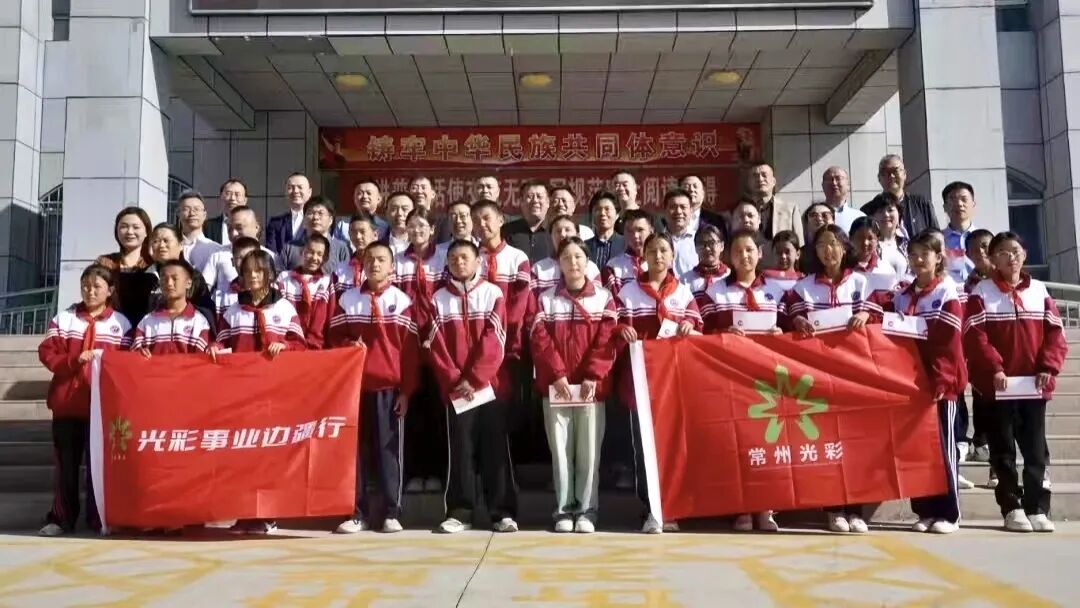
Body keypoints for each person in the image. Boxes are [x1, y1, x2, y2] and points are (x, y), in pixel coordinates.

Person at [963, 231, 1067, 533]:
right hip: (999, 388)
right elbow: (975, 337)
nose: (1011, 257)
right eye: (1003, 252)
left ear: (1025, 255)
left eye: (1016, 251)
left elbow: (1055, 334)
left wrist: (1048, 367)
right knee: (1003, 449)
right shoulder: (982, 292)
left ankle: (1038, 507)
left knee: (1035, 450)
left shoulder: (1039, 290)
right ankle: (1011, 507)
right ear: (993, 259)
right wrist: (994, 369)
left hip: (1033, 386)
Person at [786, 224, 881, 535]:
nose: (828, 250)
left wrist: (866, 315)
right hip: (818, 375)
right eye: (822, 245)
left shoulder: (862, 282)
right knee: (827, 443)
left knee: (855, 443)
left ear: (844, 247)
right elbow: (788, 316)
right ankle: (833, 509)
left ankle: (856, 509)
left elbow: (881, 314)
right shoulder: (803, 287)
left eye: (834, 244)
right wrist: (797, 320)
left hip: (855, 374)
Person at [426, 239, 518, 534]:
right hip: (456, 391)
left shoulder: (493, 294)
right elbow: (436, 346)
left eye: (465, 257)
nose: (459, 262)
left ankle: (501, 512)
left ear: (479, 261)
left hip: (490, 387)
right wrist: (455, 379)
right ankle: (460, 511)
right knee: (460, 450)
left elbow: (496, 339)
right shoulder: (438, 298)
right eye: (453, 258)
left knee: (495, 450)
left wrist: (474, 378)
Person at [328, 242, 419, 534]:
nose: (375, 265)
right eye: (370, 260)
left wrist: (406, 391)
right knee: (353, 453)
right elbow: (333, 338)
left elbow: (410, 352)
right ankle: (356, 512)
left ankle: (392, 512)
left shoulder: (402, 301)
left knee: (388, 452)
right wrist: (348, 345)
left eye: (381, 260)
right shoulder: (347, 300)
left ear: (392, 266)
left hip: (388, 388)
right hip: (354, 389)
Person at [213, 249, 305, 535]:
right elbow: (222, 344)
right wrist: (215, 348)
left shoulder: (284, 308)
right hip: (241, 395)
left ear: (270, 274)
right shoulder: (233, 311)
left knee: (269, 454)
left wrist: (285, 346)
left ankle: (268, 514)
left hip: (274, 394)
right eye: (248, 271)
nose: (253, 276)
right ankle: (244, 514)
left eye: (259, 271)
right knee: (243, 454)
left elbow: (301, 346)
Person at [614, 233, 702, 534]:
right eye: (652, 250)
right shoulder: (628, 292)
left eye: (664, 250)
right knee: (643, 447)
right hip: (639, 381)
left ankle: (672, 505)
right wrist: (621, 330)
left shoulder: (684, 293)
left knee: (671, 444)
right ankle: (651, 507)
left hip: (673, 382)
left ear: (673, 255)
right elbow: (613, 324)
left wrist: (690, 324)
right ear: (644, 256)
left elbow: (697, 325)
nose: (658, 255)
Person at [530, 236, 618, 534]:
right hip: (557, 388)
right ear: (559, 263)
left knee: (589, 452)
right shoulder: (545, 299)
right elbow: (539, 340)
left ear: (587, 261)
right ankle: (563, 509)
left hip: (591, 389)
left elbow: (607, 340)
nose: (573, 262)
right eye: (566, 257)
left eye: (578, 256)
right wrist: (557, 375)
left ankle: (587, 510)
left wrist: (592, 375)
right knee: (561, 451)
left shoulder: (603, 298)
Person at [37, 264, 132, 536]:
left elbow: (126, 363)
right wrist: (73, 360)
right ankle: (61, 518)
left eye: (97, 287)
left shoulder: (121, 324)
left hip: (102, 407)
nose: (90, 291)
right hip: (67, 403)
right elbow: (47, 352)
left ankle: (99, 517)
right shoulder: (65, 319)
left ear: (110, 290)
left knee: (100, 467)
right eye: (85, 286)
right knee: (66, 466)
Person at [889, 230, 967, 535]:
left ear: (938, 258)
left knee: (944, 451)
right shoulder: (902, 296)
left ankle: (950, 513)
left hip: (940, 387)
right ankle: (925, 510)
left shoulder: (947, 292)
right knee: (918, 451)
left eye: (925, 253)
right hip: (910, 385)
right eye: (914, 253)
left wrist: (941, 381)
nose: (919, 259)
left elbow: (949, 343)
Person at [394, 208, 449, 494]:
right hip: (407, 345)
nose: (416, 231)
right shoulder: (396, 261)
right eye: (412, 226)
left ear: (432, 229)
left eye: (422, 226)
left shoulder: (444, 258)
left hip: (438, 344)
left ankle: (437, 472)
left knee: (437, 410)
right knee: (412, 409)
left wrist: (435, 336)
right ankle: (415, 473)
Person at [703, 228, 785, 336]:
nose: (744, 255)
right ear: (730, 256)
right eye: (738, 251)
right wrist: (724, 333)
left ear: (759, 252)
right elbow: (704, 332)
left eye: (749, 250)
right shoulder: (714, 292)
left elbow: (788, 328)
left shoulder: (776, 290)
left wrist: (781, 333)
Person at [132, 259, 214, 357]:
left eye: (175, 278)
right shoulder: (147, 321)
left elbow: (202, 359)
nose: (169, 283)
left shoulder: (199, 322)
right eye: (164, 278)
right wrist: (140, 353)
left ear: (188, 283)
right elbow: (134, 355)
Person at [963, 229, 996, 473]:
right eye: (974, 249)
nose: (980, 252)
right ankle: (982, 444)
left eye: (985, 246)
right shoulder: (970, 283)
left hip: (1006, 353)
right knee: (981, 402)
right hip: (979, 354)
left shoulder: (1006, 277)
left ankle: (999, 467)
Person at [146, 223, 216, 331]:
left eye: (166, 240)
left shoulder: (193, 277)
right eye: (156, 241)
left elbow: (207, 311)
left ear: (180, 244)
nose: (161, 245)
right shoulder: (145, 276)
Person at [94, 207, 156, 326]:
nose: (129, 232)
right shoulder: (104, 262)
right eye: (124, 227)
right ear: (116, 231)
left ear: (146, 232)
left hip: (148, 328)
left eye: (136, 227)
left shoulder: (154, 263)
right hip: (111, 328)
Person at [201, 205, 278, 296]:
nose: (234, 233)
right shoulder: (217, 255)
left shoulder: (270, 256)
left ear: (256, 227)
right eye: (230, 229)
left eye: (239, 228)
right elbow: (203, 291)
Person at [277, 234, 334, 350]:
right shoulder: (284, 278)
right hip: (287, 346)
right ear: (302, 252)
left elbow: (327, 317)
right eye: (310, 252)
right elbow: (278, 312)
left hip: (316, 348)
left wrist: (313, 344)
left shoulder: (327, 282)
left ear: (325, 258)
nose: (314, 257)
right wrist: (289, 343)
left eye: (319, 254)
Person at [861, 155, 939, 236]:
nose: (891, 176)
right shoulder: (867, 210)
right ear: (879, 178)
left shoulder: (922, 204)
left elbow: (936, 238)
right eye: (886, 172)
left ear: (904, 174)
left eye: (895, 171)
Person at [531, 215, 602, 295]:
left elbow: (597, 298)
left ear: (578, 235)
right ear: (551, 237)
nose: (562, 234)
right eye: (558, 231)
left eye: (567, 230)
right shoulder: (538, 269)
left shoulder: (591, 269)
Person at [279, 196, 351, 273]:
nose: (315, 217)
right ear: (304, 219)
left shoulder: (341, 249)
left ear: (330, 220)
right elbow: (279, 275)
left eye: (320, 213)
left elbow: (347, 275)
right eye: (311, 213)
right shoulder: (290, 248)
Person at [681, 224, 731, 319]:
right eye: (702, 244)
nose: (707, 248)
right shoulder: (685, 280)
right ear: (695, 248)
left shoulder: (730, 276)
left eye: (712, 243)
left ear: (722, 246)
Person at [601, 209, 654, 297]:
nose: (635, 236)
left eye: (640, 230)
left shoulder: (660, 263)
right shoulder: (613, 267)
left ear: (651, 231)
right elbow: (612, 300)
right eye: (629, 231)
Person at [746, 161, 802, 243]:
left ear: (773, 181)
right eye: (755, 176)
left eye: (764, 175)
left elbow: (799, 244)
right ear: (748, 183)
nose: (760, 179)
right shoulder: (740, 211)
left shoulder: (791, 210)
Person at [211, 236, 260, 323]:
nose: (245, 262)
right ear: (232, 261)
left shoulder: (271, 294)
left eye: (250, 257)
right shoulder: (219, 299)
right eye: (240, 258)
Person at [331, 212, 381, 296]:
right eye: (353, 232)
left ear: (375, 235)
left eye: (362, 232)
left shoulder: (384, 268)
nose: (358, 236)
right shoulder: (339, 270)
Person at [502, 179, 552, 263]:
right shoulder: (507, 231)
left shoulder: (555, 231)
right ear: (521, 201)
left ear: (548, 202)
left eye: (539, 196)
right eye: (530, 196)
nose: (535, 200)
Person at [266, 172, 314, 256]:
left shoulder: (317, 220)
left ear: (309, 192)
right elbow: (271, 252)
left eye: (300, 187)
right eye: (290, 188)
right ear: (285, 192)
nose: (295, 191)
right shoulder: (275, 223)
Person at [849, 217, 901, 292]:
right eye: (860, 237)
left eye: (870, 238)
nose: (865, 243)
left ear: (877, 239)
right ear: (850, 238)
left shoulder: (886, 269)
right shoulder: (843, 266)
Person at [175, 191, 223, 272]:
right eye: (186, 209)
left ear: (204, 215)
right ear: (178, 214)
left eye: (196, 209)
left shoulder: (216, 249)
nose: (192, 213)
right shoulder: (171, 247)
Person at [942, 181, 978, 285]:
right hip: (949, 293)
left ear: (973, 204)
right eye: (953, 200)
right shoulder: (938, 240)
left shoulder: (985, 239)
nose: (959, 204)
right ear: (945, 207)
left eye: (964, 199)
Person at [611, 170, 664, 234]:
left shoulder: (650, 218)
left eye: (625, 185)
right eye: (616, 185)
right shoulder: (610, 220)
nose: (621, 188)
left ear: (635, 188)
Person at [584, 191, 625, 270]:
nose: (602, 213)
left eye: (607, 209)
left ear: (617, 215)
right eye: (598, 209)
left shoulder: (625, 244)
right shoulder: (584, 246)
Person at [870, 196, 910, 277]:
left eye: (890, 210)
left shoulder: (907, 245)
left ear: (899, 214)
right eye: (880, 211)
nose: (886, 214)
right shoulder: (869, 245)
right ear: (874, 217)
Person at [664, 189, 698, 279]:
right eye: (673, 207)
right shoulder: (656, 242)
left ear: (691, 211)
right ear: (665, 211)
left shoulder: (699, 240)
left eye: (683, 207)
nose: (678, 211)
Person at [204, 178, 249, 245]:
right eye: (228, 194)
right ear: (221, 197)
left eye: (237, 194)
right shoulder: (207, 226)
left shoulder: (252, 225)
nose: (232, 198)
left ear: (245, 200)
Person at [821, 167, 864, 234]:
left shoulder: (859, 217)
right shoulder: (814, 216)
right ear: (823, 186)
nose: (834, 183)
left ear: (848, 185)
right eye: (829, 179)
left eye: (838, 178)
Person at [385, 191, 415, 256]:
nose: (399, 213)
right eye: (394, 209)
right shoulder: (378, 245)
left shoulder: (423, 247)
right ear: (386, 213)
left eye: (405, 209)